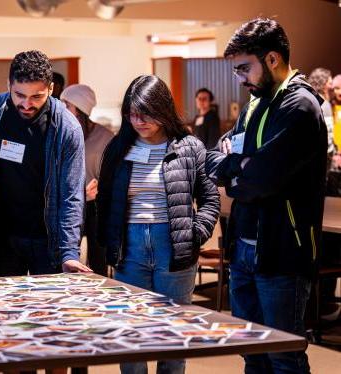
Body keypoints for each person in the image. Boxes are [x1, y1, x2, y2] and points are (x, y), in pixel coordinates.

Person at [205, 18, 327, 373]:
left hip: (283, 252)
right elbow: (215, 159)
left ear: (272, 59)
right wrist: (238, 166)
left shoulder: (300, 106)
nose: (240, 78)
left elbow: (260, 180)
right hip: (244, 249)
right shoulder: (255, 104)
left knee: (283, 354)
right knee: (251, 351)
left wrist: (238, 170)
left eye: (245, 68)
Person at [97, 74, 219, 374]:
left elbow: (210, 199)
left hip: (174, 248)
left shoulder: (189, 147)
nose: (139, 121)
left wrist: (194, 234)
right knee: (132, 332)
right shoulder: (118, 148)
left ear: (163, 109)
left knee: (174, 335)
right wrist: (109, 240)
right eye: (133, 113)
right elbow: (105, 199)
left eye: (147, 113)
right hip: (131, 248)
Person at [0, 50, 90, 276]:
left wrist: (69, 252)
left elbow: (72, 194)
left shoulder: (67, 128)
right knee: (2, 307)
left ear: (50, 89)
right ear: (8, 84)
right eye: (19, 95)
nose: (26, 104)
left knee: (48, 308)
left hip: (46, 239)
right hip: (3, 235)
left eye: (36, 97)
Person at [60, 83, 113, 276]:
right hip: (68, 202)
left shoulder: (105, 137)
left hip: (96, 206)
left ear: (80, 109)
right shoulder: (62, 133)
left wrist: (102, 186)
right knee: (68, 254)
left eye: (67, 105)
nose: (62, 109)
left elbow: (113, 174)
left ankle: (99, 292)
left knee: (98, 256)